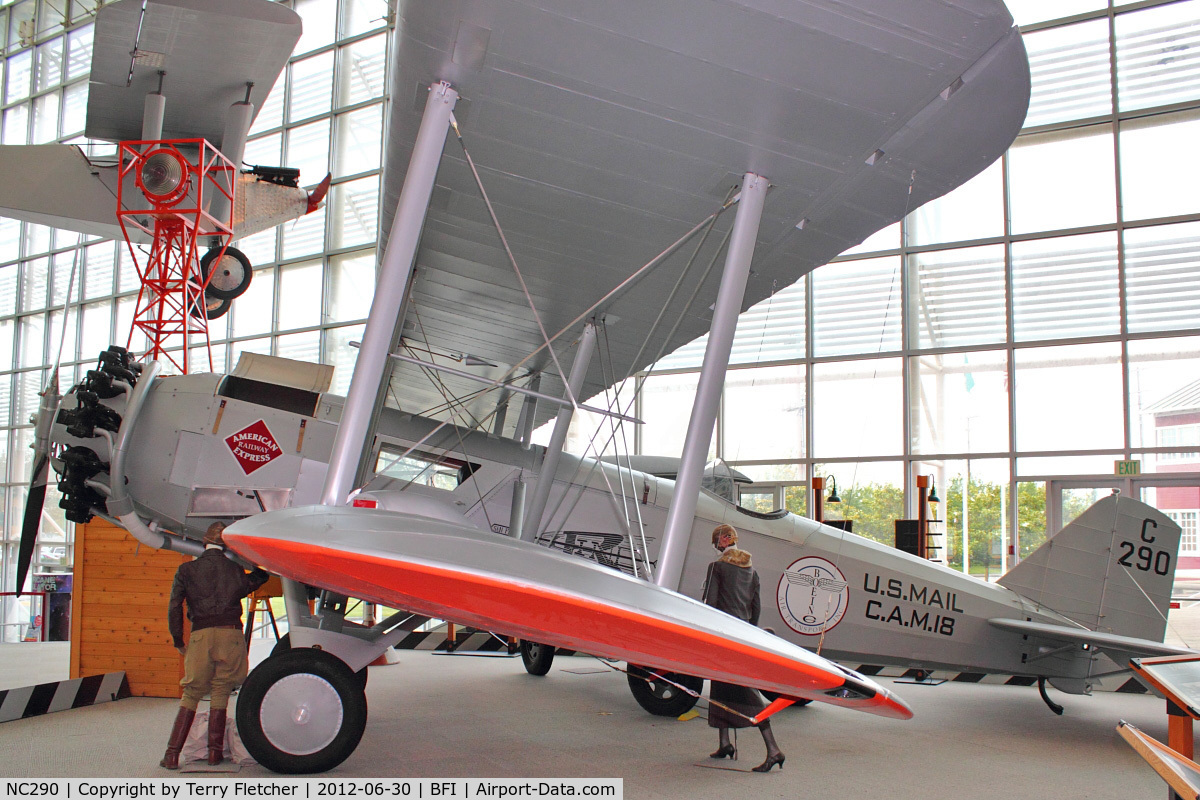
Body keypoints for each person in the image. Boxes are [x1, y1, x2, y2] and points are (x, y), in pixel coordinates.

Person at [160, 522, 270, 769]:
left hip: (201, 635)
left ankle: (171, 755)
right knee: (222, 689)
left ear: (203, 544)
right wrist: (249, 557)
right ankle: (214, 754)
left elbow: (174, 607)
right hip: (230, 634)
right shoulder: (234, 570)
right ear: (224, 547)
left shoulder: (186, 570)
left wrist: (178, 639)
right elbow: (260, 577)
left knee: (192, 693)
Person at [702, 523, 785, 773]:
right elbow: (756, 607)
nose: (715, 545)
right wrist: (749, 631)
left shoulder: (716, 567)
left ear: (724, 541)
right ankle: (725, 743)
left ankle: (774, 750)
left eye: (716, 540)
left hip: (723, 633)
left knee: (747, 692)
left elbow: (711, 603)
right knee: (720, 685)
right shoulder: (752, 571)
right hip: (742, 634)